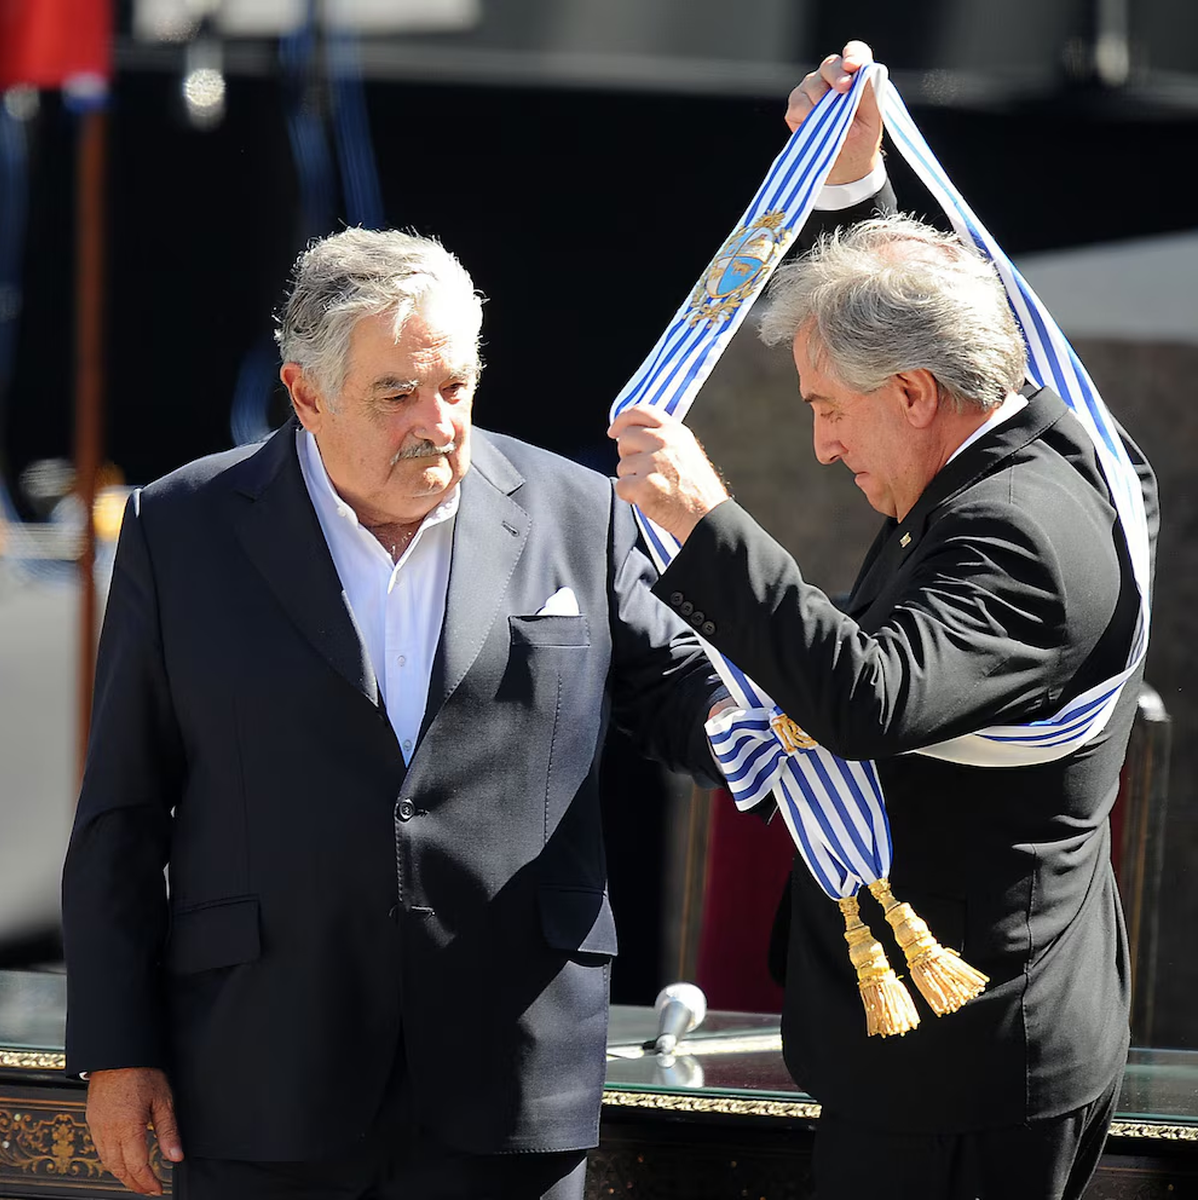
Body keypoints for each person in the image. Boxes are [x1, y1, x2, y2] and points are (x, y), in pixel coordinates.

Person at [61, 227, 730, 1199]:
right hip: (261, 1069)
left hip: (509, 1067)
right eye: (397, 394)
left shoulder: (581, 513)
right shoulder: (183, 527)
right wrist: (117, 1051)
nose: (437, 422)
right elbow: (122, 810)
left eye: (455, 387)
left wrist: (781, 714)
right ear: (305, 395)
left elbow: (682, 698)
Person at [610, 43, 1157, 1200]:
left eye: (827, 409)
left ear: (913, 395)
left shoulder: (1020, 532)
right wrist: (856, 186)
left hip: (966, 1072)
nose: (821, 446)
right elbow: (921, 309)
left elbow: (868, 697)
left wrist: (705, 521)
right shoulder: (1040, 437)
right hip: (952, 1044)